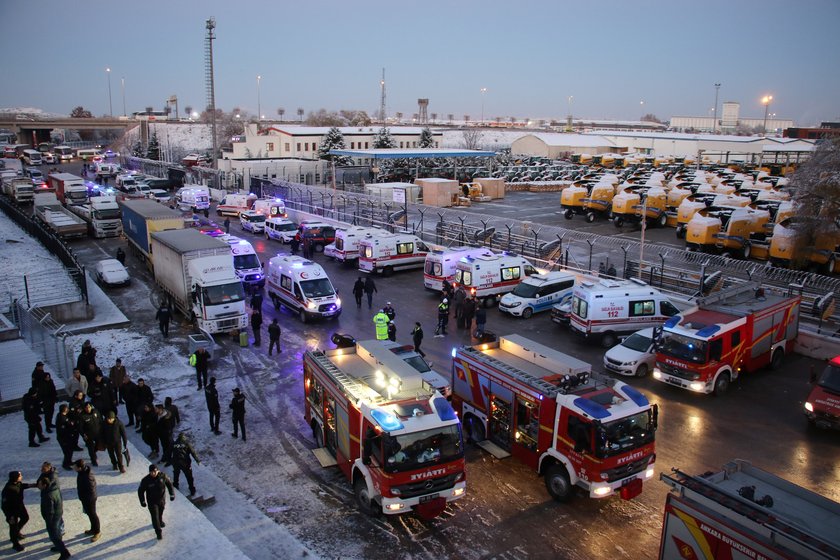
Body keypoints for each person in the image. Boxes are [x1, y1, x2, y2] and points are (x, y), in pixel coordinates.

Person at [37, 462, 70, 559]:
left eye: (40, 485)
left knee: (54, 535)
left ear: (44, 485)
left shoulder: (48, 495)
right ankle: (59, 547)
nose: (38, 486)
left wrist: (49, 521)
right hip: (58, 512)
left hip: (53, 517)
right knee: (57, 532)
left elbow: (49, 510)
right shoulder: (53, 490)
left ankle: (64, 552)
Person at [137, 464, 175, 541]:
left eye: (154, 471)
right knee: (155, 516)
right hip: (152, 502)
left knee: (160, 513)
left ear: (157, 471)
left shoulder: (163, 476)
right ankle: (158, 532)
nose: (153, 473)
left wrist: (172, 494)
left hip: (161, 500)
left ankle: (160, 521)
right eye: (151, 472)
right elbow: (140, 491)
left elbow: (169, 484)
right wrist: (142, 501)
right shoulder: (146, 480)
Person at [2, 471, 36, 552]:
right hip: (12, 511)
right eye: (20, 475)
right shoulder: (8, 489)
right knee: (13, 527)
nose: (21, 476)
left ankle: (17, 532)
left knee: (25, 518)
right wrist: (10, 516)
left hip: (20, 507)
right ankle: (15, 544)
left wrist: (33, 485)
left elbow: (22, 486)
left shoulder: (17, 483)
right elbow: (4, 504)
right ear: (16, 478)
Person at [74, 459, 101, 542]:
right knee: (90, 514)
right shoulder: (82, 473)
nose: (73, 468)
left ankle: (97, 532)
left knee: (93, 514)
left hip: (89, 499)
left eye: (75, 467)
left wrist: (86, 498)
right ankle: (93, 529)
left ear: (79, 467)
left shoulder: (87, 476)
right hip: (86, 498)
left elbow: (91, 489)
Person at [79, 402, 102, 466]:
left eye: (89, 407)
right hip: (88, 435)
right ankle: (93, 460)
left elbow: (100, 420)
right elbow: (80, 427)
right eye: (86, 407)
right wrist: (83, 435)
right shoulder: (82, 416)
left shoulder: (96, 412)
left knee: (98, 445)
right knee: (90, 448)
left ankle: (94, 452)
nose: (88, 409)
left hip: (97, 433)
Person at [55, 405, 77, 470]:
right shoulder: (62, 418)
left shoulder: (62, 416)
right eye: (66, 408)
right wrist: (71, 423)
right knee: (67, 452)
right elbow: (68, 425)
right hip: (64, 438)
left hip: (67, 437)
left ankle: (69, 461)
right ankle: (65, 464)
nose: (68, 409)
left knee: (70, 450)